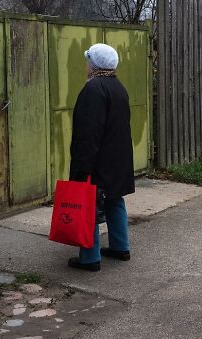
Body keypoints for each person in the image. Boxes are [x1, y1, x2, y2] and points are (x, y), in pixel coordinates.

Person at [67, 43, 135, 271]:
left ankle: (89, 258)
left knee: (89, 204)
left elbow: (88, 132)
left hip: (99, 160)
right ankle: (120, 247)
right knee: (115, 199)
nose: (86, 65)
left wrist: (82, 166)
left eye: (88, 61)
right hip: (118, 158)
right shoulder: (118, 87)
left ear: (94, 64)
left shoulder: (93, 89)